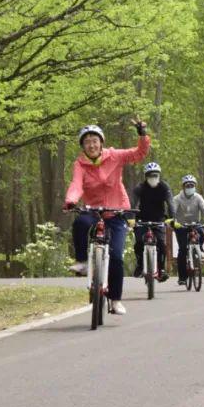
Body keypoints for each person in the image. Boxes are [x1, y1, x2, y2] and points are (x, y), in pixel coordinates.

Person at [63, 119, 151, 316]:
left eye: (95, 141)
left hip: (116, 211)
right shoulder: (79, 164)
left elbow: (139, 153)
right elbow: (76, 184)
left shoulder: (115, 156)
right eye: (87, 142)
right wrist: (70, 201)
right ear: (83, 146)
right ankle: (83, 262)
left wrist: (142, 134)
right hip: (92, 211)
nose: (91, 145)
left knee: (117, 257)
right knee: (79, 223)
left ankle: (115, 300)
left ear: (101, 142)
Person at [130, 162, 175, 282]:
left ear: (159, 176)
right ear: (146, 176)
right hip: (142, 219)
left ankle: (161, 269)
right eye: (150, 175)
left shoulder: (164, 187)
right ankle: (140, 265)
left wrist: (172, 218)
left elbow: (171, 203)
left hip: (159, 219)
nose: (153, 178)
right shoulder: (139, 188)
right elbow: (132, 204)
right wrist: (130, 218)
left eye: (155, 175)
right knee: (139, 242)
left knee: (161, 243)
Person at [172, 174, 204, 286]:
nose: (190, 187)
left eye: (192, 185)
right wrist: (174, 221)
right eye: (187, 185)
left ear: (195, 186)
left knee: (202, 232)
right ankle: (182, 277)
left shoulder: (198, 197)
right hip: (181, 226)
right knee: (183, 249)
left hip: (195, 224)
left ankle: (198, 250)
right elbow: (173, 211)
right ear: (183, 187)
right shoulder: (177, 198)